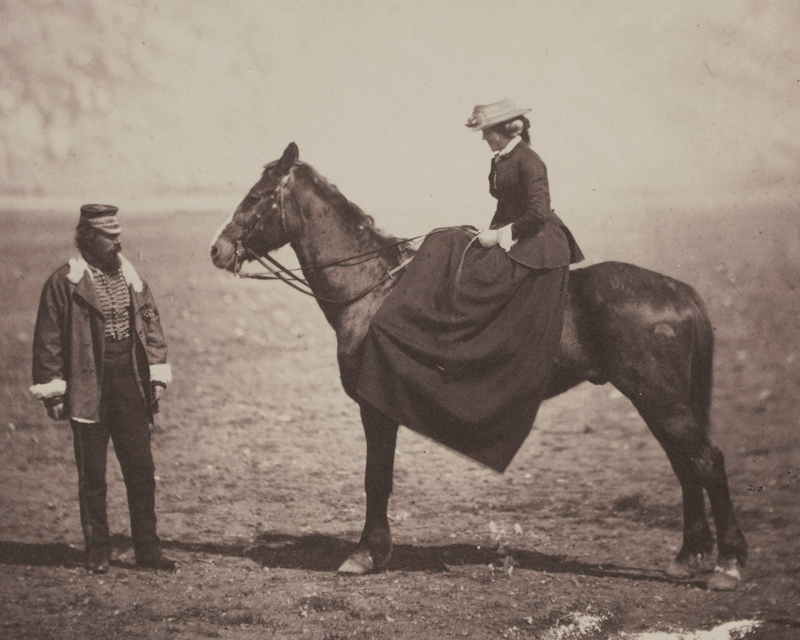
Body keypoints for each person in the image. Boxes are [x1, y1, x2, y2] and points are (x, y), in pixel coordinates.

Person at [355, 98, 583, 472]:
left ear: (507, 130)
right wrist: (488, 232)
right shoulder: (501, 159)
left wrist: (502, 236)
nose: (483, 140)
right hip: (514, 237)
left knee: (473, 270)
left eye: (486, 133)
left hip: (539, 246)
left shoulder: (529, 159)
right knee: (446, 240)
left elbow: (539, 212)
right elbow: (506, 205)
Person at [30, 204, 177, 573]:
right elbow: (48, 340)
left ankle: (147, 549)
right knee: (92, 476)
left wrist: (156, 374)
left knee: (141, 470)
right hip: (86, 389)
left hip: (129, 385)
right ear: (88, 238)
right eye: (109, 237)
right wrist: (54, 391)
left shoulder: (132, 279)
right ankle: (98, 549)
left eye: (118, 235)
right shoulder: (63, 283)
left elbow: (150, 324)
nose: (118, 242)